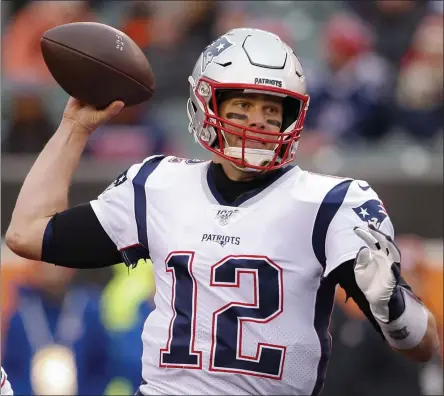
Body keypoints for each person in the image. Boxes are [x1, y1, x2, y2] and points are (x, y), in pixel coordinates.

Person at [5, 28, 440, 396]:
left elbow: (423, 346)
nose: (258, 121)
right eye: (243, 106)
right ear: (207, 105)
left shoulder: (331, 203)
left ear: (294, 117)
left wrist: (392, 306)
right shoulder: (158, 185)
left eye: (272, 109)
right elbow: (28, 233)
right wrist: (75, 127)